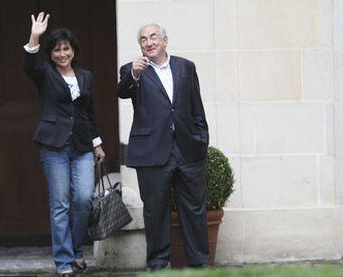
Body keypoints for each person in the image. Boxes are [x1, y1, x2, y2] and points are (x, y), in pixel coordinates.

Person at [117, 22, 210, 270]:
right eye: (144, 40)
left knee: (194, 210)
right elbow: (122, 91)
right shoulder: (132, 70)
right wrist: (134, 74)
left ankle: (200, 265)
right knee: (155, 212)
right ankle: (158, 265)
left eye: (153, 37)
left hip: (187, 151)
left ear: (165, 40)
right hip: (152, 154)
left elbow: (196, 106)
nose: (149, 42)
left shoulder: (186, 67)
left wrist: (201, 140)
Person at [22, 12, 105, 277]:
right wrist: (35, 36)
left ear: (73, 51)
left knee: (83, 199)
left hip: (81, 146)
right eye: (56, 49)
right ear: (51, 53)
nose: (61, 53)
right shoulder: (44, 73)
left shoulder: (86, 77)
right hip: (54, 146)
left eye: (66, 48)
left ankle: (76, 249)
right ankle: (64, 261)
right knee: (60, 204)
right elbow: (27, 64)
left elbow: (88, 113)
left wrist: (97, 144)